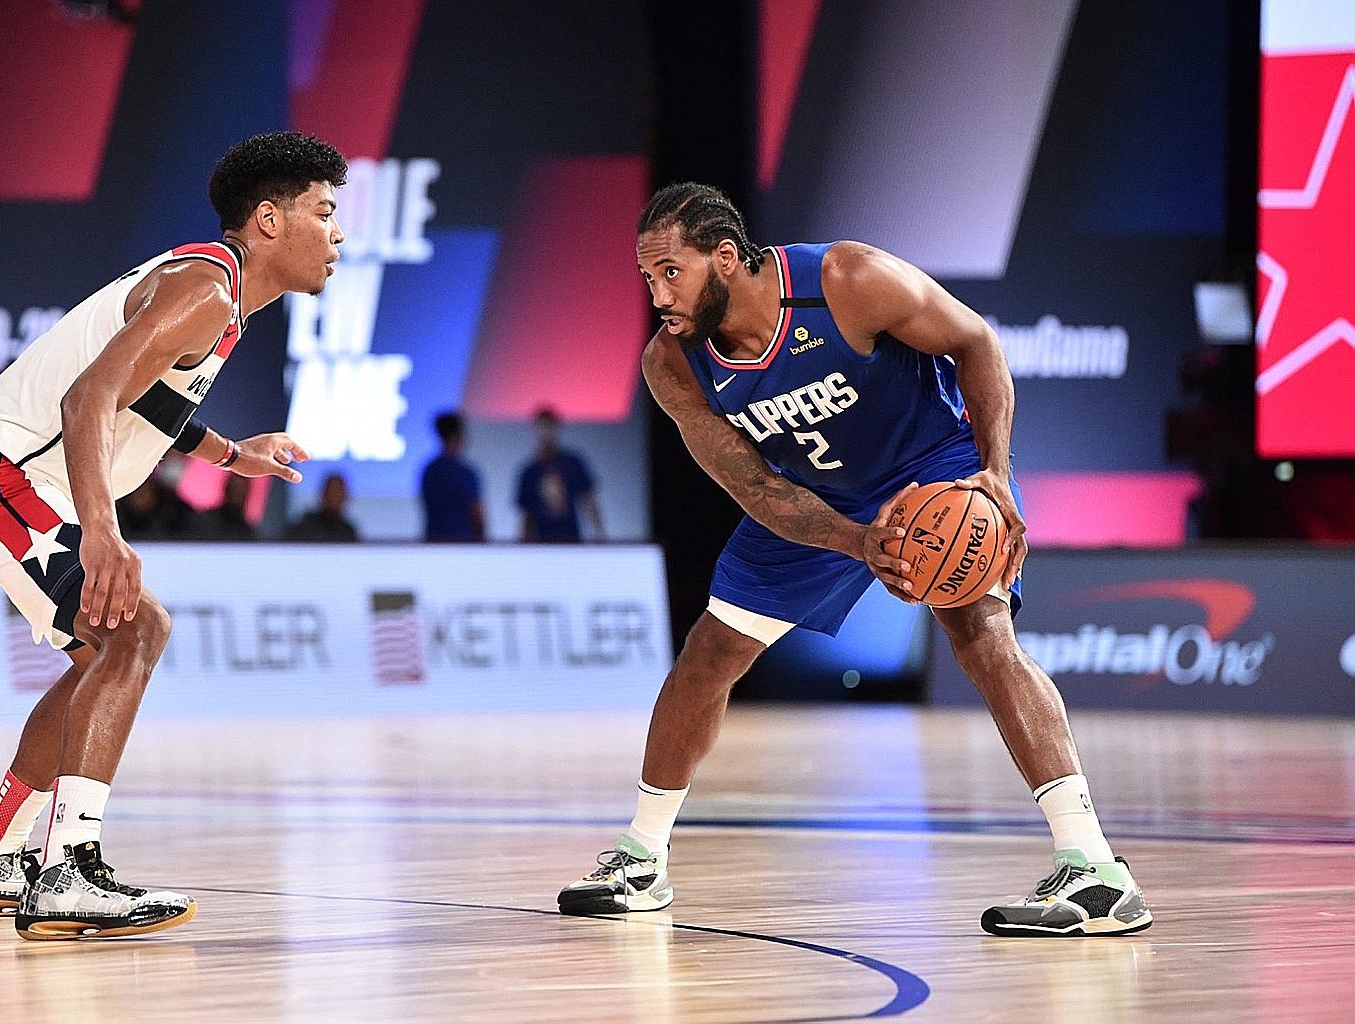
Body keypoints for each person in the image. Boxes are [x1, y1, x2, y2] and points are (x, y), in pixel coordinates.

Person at [556, 183, 1151, 937]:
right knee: (708, 654)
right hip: (812, 498)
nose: (656, 293)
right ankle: (642, 858)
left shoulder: (846, 281)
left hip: (933, 475)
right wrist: (854, 541)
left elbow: (977, 344)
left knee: (980, 636)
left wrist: (995, 475)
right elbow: (756, 488)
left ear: (726, 258)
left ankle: (1095, 870)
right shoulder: (672, 364)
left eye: (671, 271)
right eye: (647, 278)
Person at [0, 131, 346, 940]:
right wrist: (104, 535)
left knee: (103, 651)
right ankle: (69, 871)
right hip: (0, 471)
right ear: (268, 220)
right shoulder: (209, 290)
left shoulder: (218, 301)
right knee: (137, 628)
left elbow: (149, 404)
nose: (337, 235)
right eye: (323, 214)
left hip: (15, 476)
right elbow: (89, 399)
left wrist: (233, 454)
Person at [515, 407, 603, 542]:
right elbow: (527, 515)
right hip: (541, 544)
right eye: (541, 427)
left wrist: (599, 534)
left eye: (549, 427)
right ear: (534, 430)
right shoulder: (529, 472)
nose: (545, 433)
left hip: (571, 540)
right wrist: (522, 545)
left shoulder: (573, 464)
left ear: (557, 428)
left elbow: (589, 502)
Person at [420, 410, 484, 542]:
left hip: (433, 542)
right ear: (457, 434)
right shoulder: (464, 473)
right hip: (462, 545)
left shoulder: (429, 471)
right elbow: (476, 514)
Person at [285, 472, 358, 541]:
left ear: (346, 496)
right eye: (332, 491)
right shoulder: (305, 527)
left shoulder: (348, 531)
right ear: (323, 494)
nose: (335, 496)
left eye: (339, 492)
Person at [187, 474, 257, 541]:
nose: (238, 493)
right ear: (227, 488)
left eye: (242, 489)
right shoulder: (207, 519)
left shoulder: (246, 528)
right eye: (235, 488)